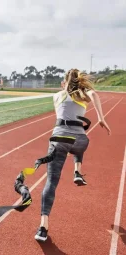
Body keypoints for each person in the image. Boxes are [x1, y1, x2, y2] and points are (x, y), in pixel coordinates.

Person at [34, 69, 111, 242]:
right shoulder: (83, 95)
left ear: (64, 82)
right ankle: (77, 170)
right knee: (79, 146)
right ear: (80, 82)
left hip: (58, 137)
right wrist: (100, 118)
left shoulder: (56, 96)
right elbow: (94, 94)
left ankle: (43, 227)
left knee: (51, 182)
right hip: (79, 139)